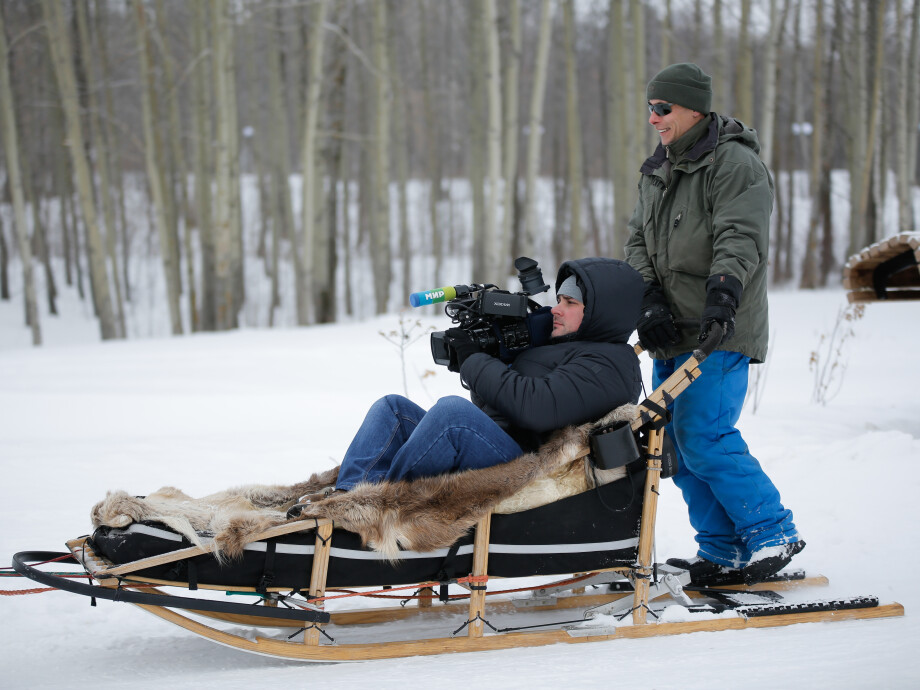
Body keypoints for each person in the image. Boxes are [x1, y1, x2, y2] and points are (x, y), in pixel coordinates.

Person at [624, 63, 803, 586]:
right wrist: (648, 299)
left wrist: (723, 294)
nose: (654, 118)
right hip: (670, 330)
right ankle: (722, 549)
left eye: (664, 109)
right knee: (672, 445)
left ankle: (771, 532)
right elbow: (638, 240)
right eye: (650, 108)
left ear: (694, 109)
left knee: (704, 433)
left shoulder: (734, 163)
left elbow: (740, 235)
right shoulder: (657, 169)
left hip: (719, 326)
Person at [297, 258, 645, 505]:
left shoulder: (610, 363)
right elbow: (504, 401)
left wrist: (475, 362)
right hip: (502, 443)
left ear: (600, 311)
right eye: (558, 300)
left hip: (527, 465)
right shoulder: (565, 344)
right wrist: (488, 356)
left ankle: (382, 506)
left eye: (570, 303)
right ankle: (345, 499)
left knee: (452, 416)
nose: (556, 309)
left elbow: (537, 407)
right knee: (393, 409)